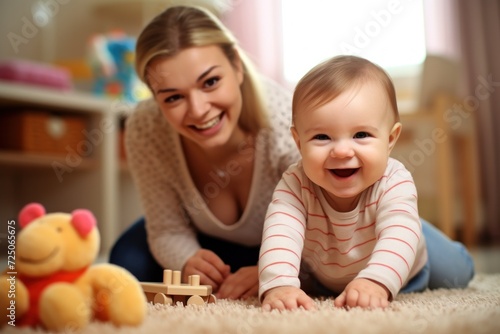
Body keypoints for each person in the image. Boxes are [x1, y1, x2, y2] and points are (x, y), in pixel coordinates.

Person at [109, 5, 300, 300]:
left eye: (210, 82)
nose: (198, 111)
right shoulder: (146, 126)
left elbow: (323, 225)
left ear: (236, 65)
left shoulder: (285, 120)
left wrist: (274, 270)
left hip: (289, 243)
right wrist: (187, 260)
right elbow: (166, 228)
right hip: (205, 242)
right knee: (125, 262)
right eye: (173, 97)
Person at [258, 55, 475, 311]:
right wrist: (279, 284)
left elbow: (398, 238)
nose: (341, 151)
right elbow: (280, 232)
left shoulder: (393, 181)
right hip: (329, 274)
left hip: (411, 266)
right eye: (322, 137)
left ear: (390, 139)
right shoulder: (295, 184)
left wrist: (375, 282)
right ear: (298, 142)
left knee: (457, 274)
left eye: (361, 135)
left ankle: (417, 226)